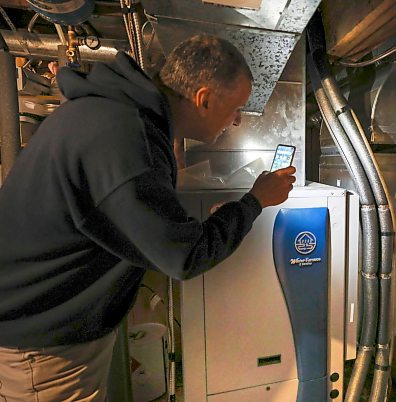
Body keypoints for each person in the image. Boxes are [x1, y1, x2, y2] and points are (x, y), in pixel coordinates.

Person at [0, 34, 296, 401]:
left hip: (46, 325)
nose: (236, 121)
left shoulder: (114, 114)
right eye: (236, 108)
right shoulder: (126, 138)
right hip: (46, 343)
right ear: (203, 99)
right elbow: (185, 256)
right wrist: (255, 200)